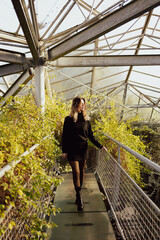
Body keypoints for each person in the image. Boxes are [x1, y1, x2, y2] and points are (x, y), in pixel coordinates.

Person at [62, 97, 107, 211]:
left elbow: (91, 136)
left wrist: (100, 146)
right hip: (72, 150)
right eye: (81, 104)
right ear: (76, 105)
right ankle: (79, 195)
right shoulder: (68, 119)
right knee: (76, 172)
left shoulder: (86, 120)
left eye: (84, 104)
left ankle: (79, 191)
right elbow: (65, 136)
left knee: (81, 172)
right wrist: (64, 150)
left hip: (83, 150)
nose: (83, 106)